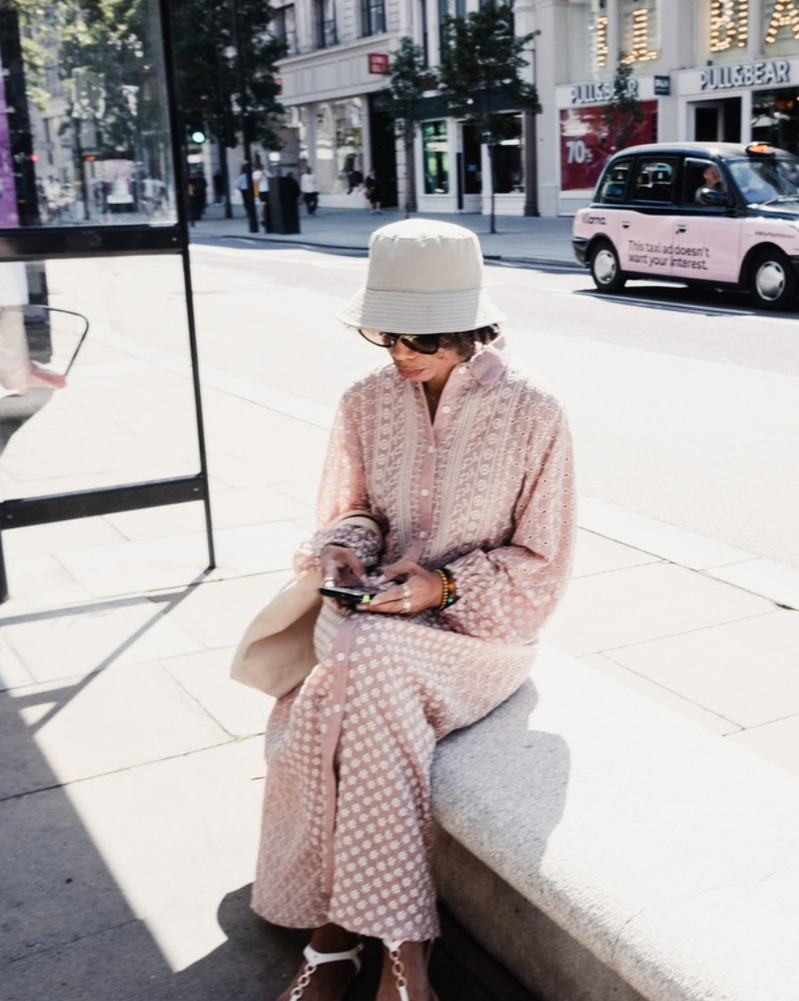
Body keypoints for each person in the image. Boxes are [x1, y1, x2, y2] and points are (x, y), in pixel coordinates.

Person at [253, 219, 576, 1001]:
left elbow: (545, 562)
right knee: (361, 658)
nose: (398, 351)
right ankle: (403, 954)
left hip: (477, 638)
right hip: (368, 619)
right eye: (383, 331)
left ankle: (338, 938)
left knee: (344, 681)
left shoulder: (534, 413)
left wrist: (444, 585)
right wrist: (342, 547)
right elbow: (352, 507)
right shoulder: (365, 400)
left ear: (471, 326)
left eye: (420, 336)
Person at [239, 163, 260, 233]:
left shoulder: (242, 176)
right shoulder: (250, 175)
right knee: (250, 201)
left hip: (244, 190)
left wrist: (239, 188)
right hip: (249, 189)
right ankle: (251, 212)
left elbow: (239, 184)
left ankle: (248, 212)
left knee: (246, 202)